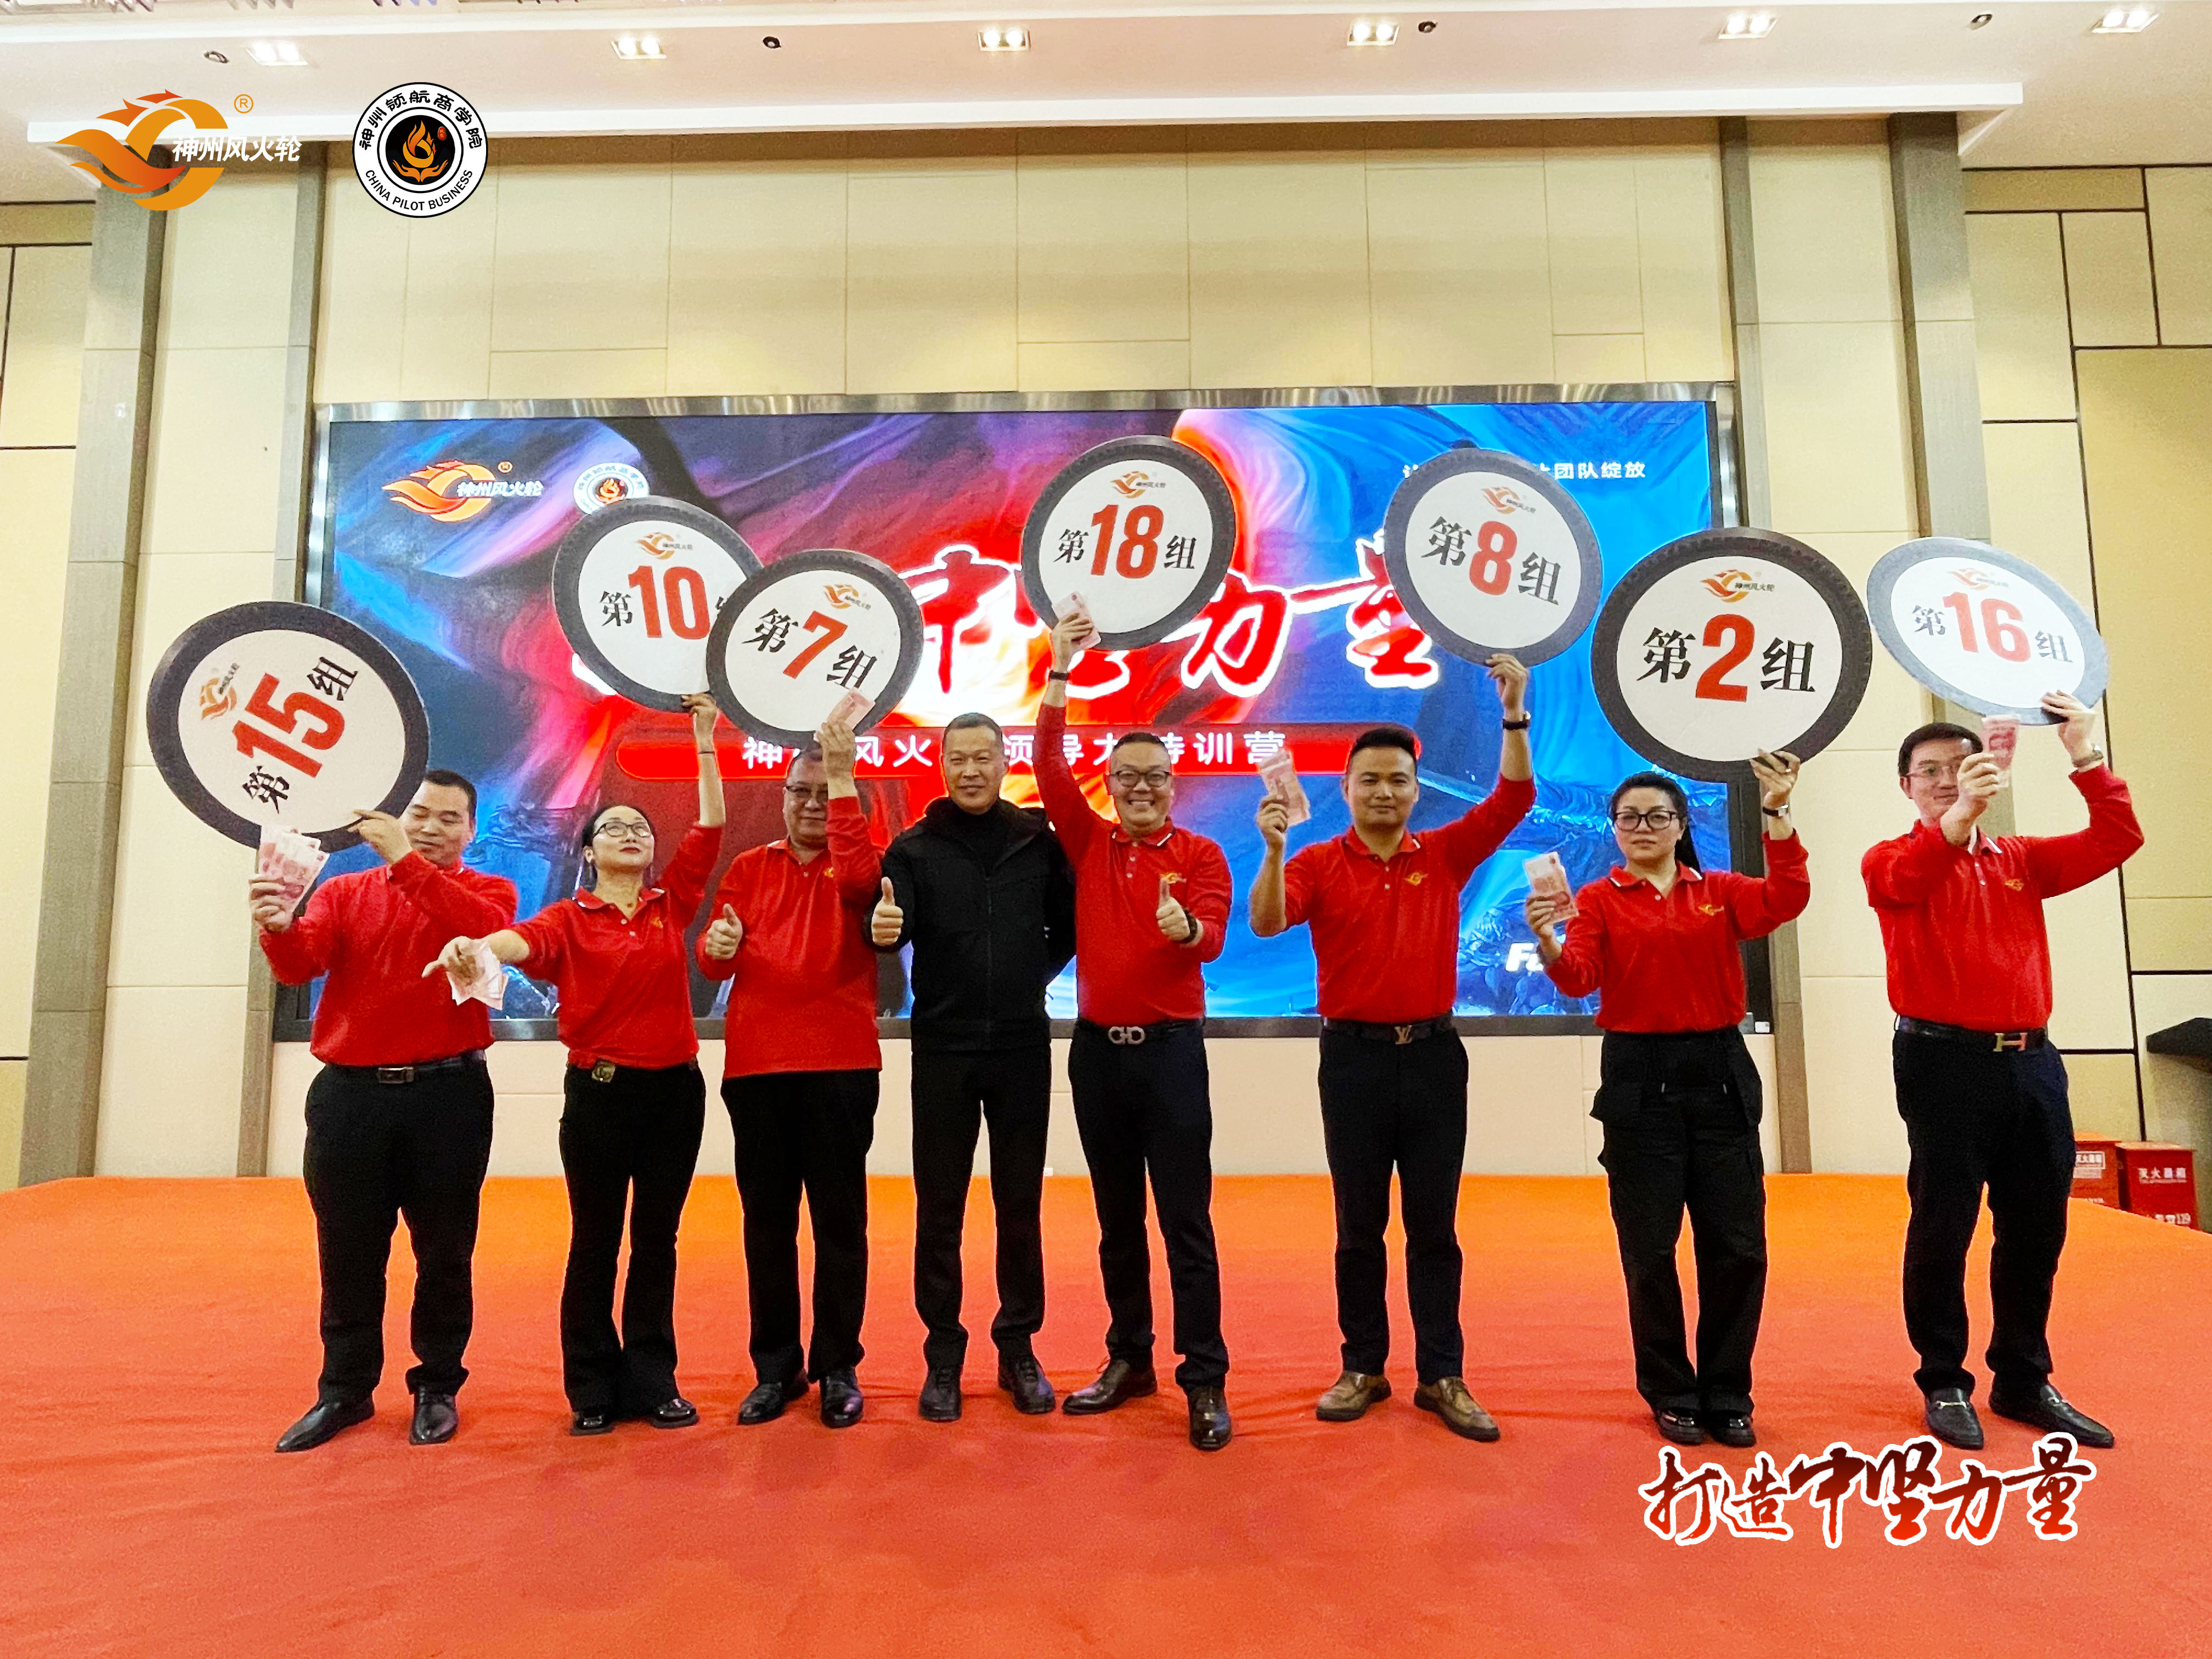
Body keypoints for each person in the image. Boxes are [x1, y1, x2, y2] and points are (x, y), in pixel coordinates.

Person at [1248, 657, 1534, 1442]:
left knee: (1435, 1228)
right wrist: (1271, 850)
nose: (1384, 792)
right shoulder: (1314, 863)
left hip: (1434, 1059)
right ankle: (1363, 1367)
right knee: (1359, 1227)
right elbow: (1266, 922)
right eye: (1369, 780)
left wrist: (1513, 710)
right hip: (1354, 1062)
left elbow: (1514, 798)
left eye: (1397, 781)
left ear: (1415, 790)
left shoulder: (1443, 854)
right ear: (1345, 790)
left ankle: (1442, 1374)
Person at [430, 692, 727, 1436]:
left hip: (675, 1097)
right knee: (595, 1242)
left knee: (657, 1242)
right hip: (599, 1098)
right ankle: (591, 1388)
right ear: (589, 852)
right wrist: (475, 948)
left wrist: (704, 738)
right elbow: (516, 942)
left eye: (640, 828)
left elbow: (712, 825)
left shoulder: (669, 907)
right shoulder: (567, 918)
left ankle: (654, 1381)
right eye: (612, 828)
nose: (629, 834)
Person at [1865, 693, 2141, 1452]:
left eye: (1962, 766)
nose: (1947, 780)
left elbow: (2118, 838)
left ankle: (2022, 1376)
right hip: (1941, 1062)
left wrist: (2083, 751)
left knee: (2037, 1225)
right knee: (1944, 1222)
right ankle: (1944, 1379)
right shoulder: (1889, 859)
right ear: (1907, 786)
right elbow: (1915, 876)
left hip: (2033, 1062)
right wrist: (1960, 817)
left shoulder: (2020, 858)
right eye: (1930, 771)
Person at [1528, 754, 1808, 1449]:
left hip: (1718, 1074)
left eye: (1658, 816)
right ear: (1614, 829)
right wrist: (1548, 941)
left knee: (1737, 1247)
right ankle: (1671, 1390)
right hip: (1638, 1080)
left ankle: (1728, 1392)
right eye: (1629, 817)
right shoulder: (1596, 900)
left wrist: (1777, 812)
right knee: (1649, 1249)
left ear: (1682, 826)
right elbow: (1579, 979)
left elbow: (1787, 899)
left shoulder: (1721, 889)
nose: (1643, 826)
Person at [256, 772, 517, 1453]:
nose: (430, 828)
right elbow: (299, 967)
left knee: (445, 1250)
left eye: (449, 819)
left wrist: (404, 858)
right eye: (419, 814)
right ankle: (344, 1390)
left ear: (472, 830)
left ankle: (438, 1385)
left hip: (449, 1096)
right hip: (351, 1098)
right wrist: (279, 928)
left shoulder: (491, 892)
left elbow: (487, 933)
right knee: (347, 1251)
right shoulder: (343, 892)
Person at [1034, 613, 1235, 1452]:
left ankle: (1205, 1377)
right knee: (1117, 1221)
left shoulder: (1202, 856)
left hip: (1172, 1057)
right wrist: (1061, 670)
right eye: (1127, 776)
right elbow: (1047, 766)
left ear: (1173, 785)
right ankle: (1130, 1358)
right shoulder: (1089, 842)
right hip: (1097, 1058)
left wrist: (1186, 930)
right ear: (1110, 784)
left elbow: (1212, 937)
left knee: (1185, 1222)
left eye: (1154, 776)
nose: (1141, 788)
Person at [869, 713, 1076, 1421]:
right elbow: (889, 923)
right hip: (944, 1049)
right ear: (942, 765)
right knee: (940, 1208)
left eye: (983, 758)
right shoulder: (913, 848)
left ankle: (1018, 1347)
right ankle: (944, 1354)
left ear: (1004, 762)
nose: (970, 771)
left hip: (1021, 1046)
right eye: (958, 759)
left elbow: (1067, 929)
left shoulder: (1038, 843)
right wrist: (882, 929)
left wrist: (1027, 980)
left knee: (1020, 1206)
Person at [697, 716, 884, 1430]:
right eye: (798, 792)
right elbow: (713, 958)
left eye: (824, 792)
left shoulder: (864, 864)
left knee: (840, 1225)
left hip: (840, 1066)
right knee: (767, 1227)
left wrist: (842, 777)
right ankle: (777, 1369)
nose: (811, 804)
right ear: (781, 797)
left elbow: (860, 878)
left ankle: (838, 1366)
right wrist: (718, 946)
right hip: (758, 1069)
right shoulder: (749, 868)